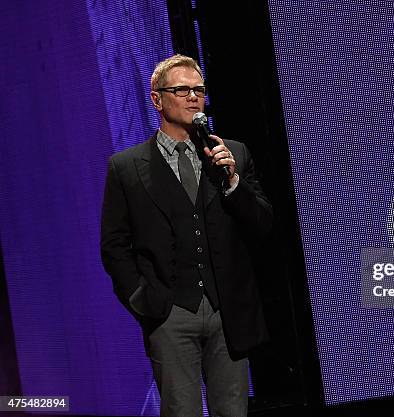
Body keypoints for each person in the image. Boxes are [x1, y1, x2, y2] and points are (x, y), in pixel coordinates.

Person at [100, 54, 273, 417]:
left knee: (233, 411)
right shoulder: (127, 167)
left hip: (227, 312)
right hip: (169, 313)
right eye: (181, 89)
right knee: (181, 411)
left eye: (199, 89)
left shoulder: (233, 155)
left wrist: (232, 181)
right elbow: (114, 244)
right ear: (157, 98)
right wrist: (141, 299)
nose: (193, 97)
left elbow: (262, 224)